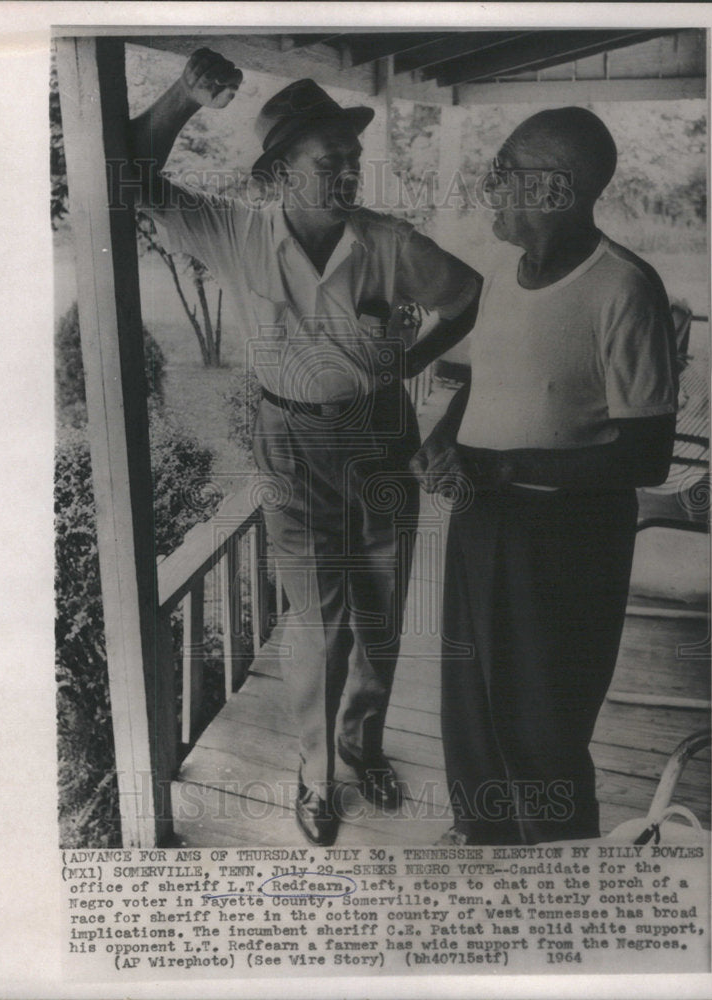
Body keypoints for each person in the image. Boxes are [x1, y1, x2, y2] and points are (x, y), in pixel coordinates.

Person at [127, 49, 482, 845]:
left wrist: (407, 363)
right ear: (281, 171)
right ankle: (317, 774)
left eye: (354, 157)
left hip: (381, 433)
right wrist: (183, 97)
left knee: (381, 609)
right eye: (332, 159)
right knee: (319, 619)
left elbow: (465, 297)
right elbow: (129, 175)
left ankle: (363, 743)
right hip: (289, 441)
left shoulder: (388, 243)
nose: (350, 169)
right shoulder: (235, 235)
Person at [410, 107, 677, 845]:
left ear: (557, 190)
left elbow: (647, 455)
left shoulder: (625, 290)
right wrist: (443, 439)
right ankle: (481, 839)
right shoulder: (502, 273)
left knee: (543, 726)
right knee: (469, 703)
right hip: (480, 517)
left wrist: (508, 466)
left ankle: (560, 870)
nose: (488, 186)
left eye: (505, 173)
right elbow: (481, 379)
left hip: (566, 539)